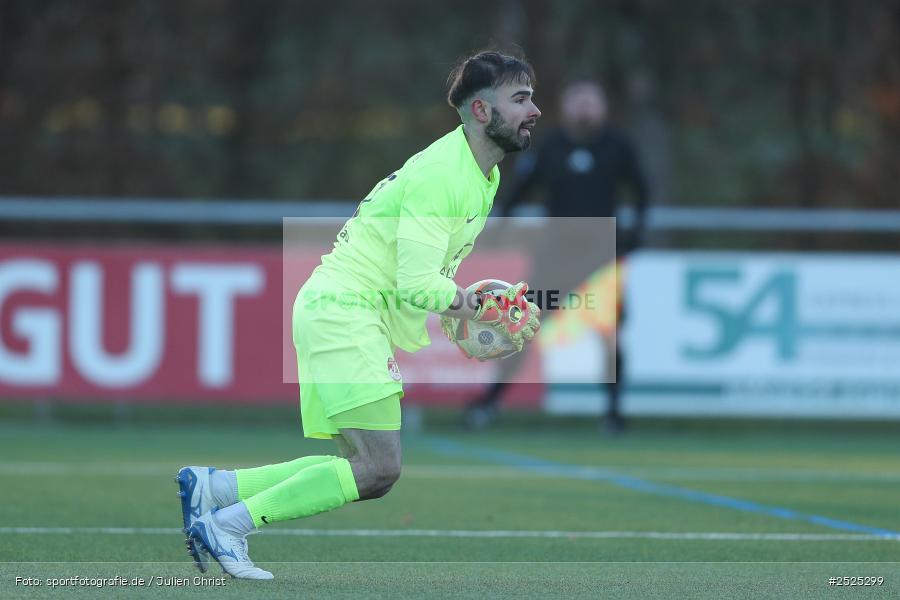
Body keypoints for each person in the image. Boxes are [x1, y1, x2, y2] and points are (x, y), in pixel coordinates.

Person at [174, 50, 542, 580]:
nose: (534, 110)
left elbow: (416, 276)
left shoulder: (481, 175)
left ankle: (216, 490)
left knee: (362, 464)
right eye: (521, 99)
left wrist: (463, 314)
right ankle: (228, 525)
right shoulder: (445, 175)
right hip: (345, 311)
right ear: (482, 111)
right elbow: (417, 284)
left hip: (342, 309)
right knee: (379, 468)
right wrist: (477, 307)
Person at [463, 80, 648, 434]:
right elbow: (521, 189)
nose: (584, 109)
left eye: (591, 102)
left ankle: (613, 414)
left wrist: (635, 234)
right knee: (523, 324)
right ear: (565, 107)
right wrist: (499, 228)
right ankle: (488, 404)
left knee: (608, 334)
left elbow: (641, 190)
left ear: (603, 107)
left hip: (600, 259)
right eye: (577, 101)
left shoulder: (617, 146)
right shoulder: (550, 147)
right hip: (555, 258)